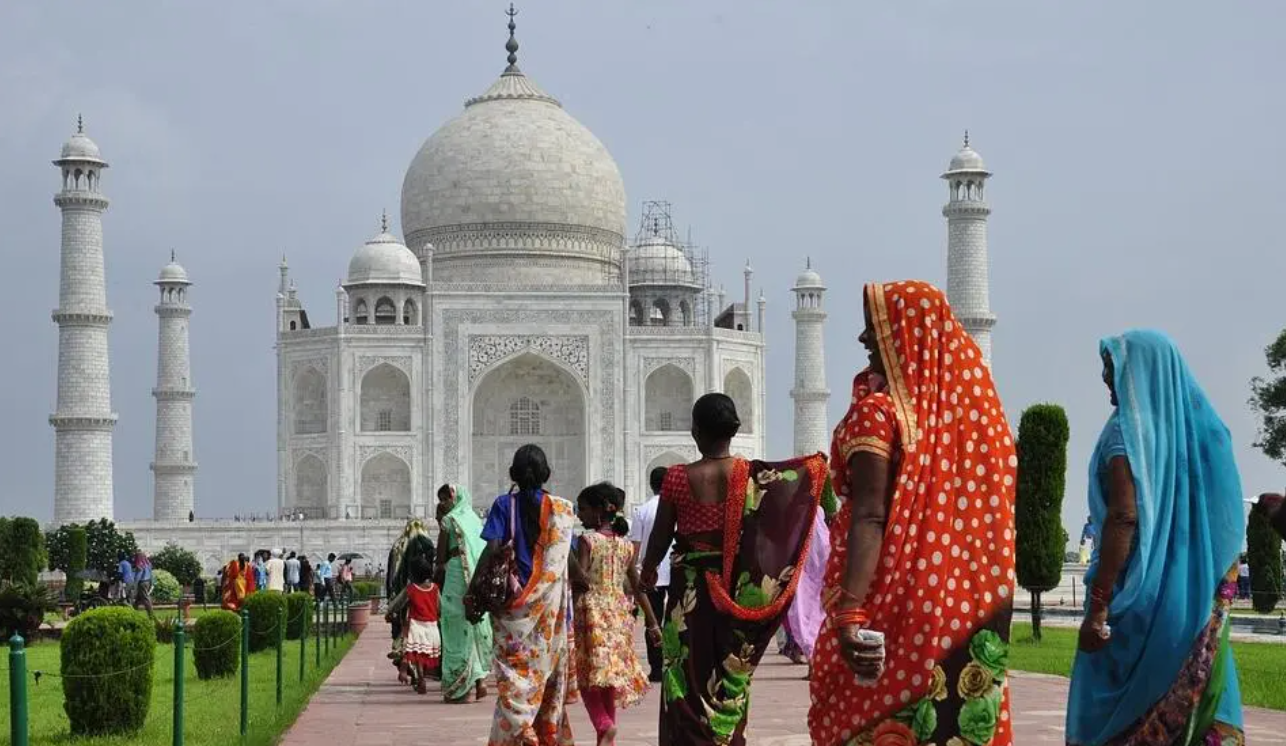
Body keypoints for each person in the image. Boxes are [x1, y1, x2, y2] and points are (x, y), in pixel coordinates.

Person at [808, 281, 1018, 746]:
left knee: (872, 723)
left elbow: (870, 515)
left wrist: (849, 611)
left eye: (875, 328)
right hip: (967, 606)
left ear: (908, 335)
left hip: (892, 599)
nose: (865, 339)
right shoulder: (975, 421)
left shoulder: (878, 413)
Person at [1066, 330, 1245, 746]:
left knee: (1109, 716)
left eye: (1113, 369)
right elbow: (1225, 523)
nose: (1106, 379)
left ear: (1142, 372)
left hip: (1138, 602)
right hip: (1195, 605)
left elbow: (1124, 517)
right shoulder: (1206, 433)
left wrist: (1098, 607)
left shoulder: (1125, 435)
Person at [641, 394, 828, 746]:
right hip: (734, 592)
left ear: (695, 431)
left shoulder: (678, 478)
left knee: (685, 674)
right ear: (734, 431)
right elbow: (786, 501)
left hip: (689, 596)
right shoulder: (751, 476)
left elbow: (662, 534)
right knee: (730, 673)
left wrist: (648, 571)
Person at [477, 444, 579, 745]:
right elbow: (570, 564)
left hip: (513, 611)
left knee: (515, 679)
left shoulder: (502, 505)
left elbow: (492, 550)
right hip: (550, 615)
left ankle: (521, 728)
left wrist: (474, 592)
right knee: (545, 680)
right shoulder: (562, 509)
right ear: (547, 473)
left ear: (513, 474)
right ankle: (542, 732)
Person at [574, 482, 659, 746]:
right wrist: (653, 624)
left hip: (591, 614)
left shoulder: (587, 541)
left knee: (587, 676)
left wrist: (568, 564)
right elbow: (637, 585)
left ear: (599, 511)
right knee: (608, 678)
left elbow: (583, 581)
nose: (580, 515)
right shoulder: (625, 546)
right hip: (619, 615)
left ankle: (604, 725)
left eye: (583, 509)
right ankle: (606, 739)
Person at [433, 484, 492, 703]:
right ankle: (480, 681)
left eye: (444, 500)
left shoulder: (450, 521)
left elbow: (440, 560)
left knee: (455, 628)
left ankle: (461, 689)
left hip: (457, 575)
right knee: (472, 625)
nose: (442, 505)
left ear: (454, 498)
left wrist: (434, 577)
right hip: (475, 578)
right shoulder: (475, 520)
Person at [629, 466, 673, 683]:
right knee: (675, 621)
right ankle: (673, 667)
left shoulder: (642, 511)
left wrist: (635, 575)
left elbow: (635, 548)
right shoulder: (678, 509)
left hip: (650, 574)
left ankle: (656, 669)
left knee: (652, 621)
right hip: (675, 572)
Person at [782, 504, 830, 678]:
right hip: (808, 572)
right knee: (805, 617)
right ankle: (814, 663)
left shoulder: (807, 510)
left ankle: (814, 663)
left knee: (802, 617)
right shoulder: (814, 510)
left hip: (807, 571)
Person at [385, 553, 442, 695]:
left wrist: (389, 612)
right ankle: (421, 677)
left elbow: (397, 604)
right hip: (432, 626)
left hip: (416, 625)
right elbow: (440, 607)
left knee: (414, 652)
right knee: (424, 652)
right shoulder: (435, 588)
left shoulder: (411, 589)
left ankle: (419, 677)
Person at [387, 519, 434, 683]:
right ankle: (417, 672)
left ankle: (405, 665)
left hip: (403, 594)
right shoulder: (426, 544)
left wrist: (390, 604)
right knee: (421, 644)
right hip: (424, 598)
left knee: (405, 635)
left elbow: (391, 575)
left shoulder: (399, 545)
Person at [132, 551, 154, 618]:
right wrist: (151, 583)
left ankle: (151, 614)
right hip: (148, 581)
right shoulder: (148, 564)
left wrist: (134, 585)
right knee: (138, 599)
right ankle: (133, 612)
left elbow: (138, 576)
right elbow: (151, 574)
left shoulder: (140, 565)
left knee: (145, 599)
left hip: (142, 583)